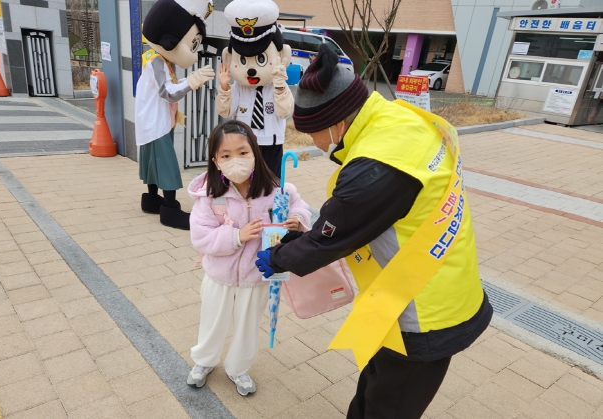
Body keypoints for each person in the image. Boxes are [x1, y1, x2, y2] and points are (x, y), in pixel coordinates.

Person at [255, 44, 493, 419]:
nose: (316, 144)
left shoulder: (375, 169)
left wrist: (278, 257)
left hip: (425, 316)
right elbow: (353, 222)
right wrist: (298, 241)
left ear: (337, 121)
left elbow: (327, 239)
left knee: (388, 406)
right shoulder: (399, 119)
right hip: (437, 286)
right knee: (375, 388)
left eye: (313, 133)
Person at [187, 120, 310, 396]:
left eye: (243, 153)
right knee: (212, 321)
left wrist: (296, 218)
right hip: (219, 275)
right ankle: (203, 361)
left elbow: (300, 205)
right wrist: (236, 236)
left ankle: (238, 368)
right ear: (216, 161)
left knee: (248, 325)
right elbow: (201, 236)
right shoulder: (210, 196)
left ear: (255, 152)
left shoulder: (275, 189)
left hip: (257, 276)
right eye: (226, 155)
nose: (236, 161)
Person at [136, 0, 215, 230]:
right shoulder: (157, 63)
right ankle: (169, 209)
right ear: (169, 39)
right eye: (193, 45)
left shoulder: (161, 61)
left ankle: (152, 200)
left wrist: (191, 80)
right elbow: (167, 93)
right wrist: (191, 82)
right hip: (156, 124)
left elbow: (170, 85)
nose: (195, 51)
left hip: (154, 122)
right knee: (166, 163)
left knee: (152, 162)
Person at [216, 0, 294, 178]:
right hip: (244, 144)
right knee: (246, 183)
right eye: (242, 61)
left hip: (272, 145)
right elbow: (225, 111)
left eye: (261, 60)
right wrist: (224, 87)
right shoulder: (239, 87)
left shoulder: (278, 85)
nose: (251, 70)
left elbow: (285, 112)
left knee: (271, 184)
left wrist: (280, 87)